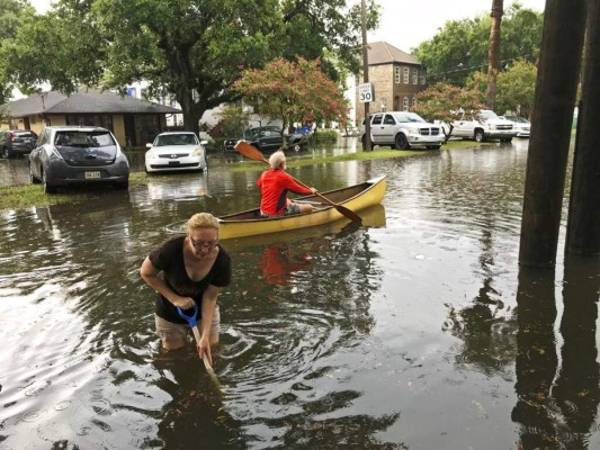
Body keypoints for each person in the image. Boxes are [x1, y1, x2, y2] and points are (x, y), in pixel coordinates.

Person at [140, 212, 231, 366]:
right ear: (188, 236)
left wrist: (204, 337)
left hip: (203, 309)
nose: (204, 249)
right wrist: (176, 299)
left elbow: (210, 298)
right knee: (175, 356)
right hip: (170, 309)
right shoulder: (170, 250)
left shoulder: (222, 259)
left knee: (211, 349)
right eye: (198, 243)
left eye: (211, 243)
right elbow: (146, 273)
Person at [257, 150, 317, 217]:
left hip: (262, 211)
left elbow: (259, 185)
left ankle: (291, 207)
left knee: (288, 200)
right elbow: (299, 190)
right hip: (275, 213)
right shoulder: (283, 177)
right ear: (282, 163)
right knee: (309, 207)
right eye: (285, 161)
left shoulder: (264, 174)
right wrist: (311, 191)